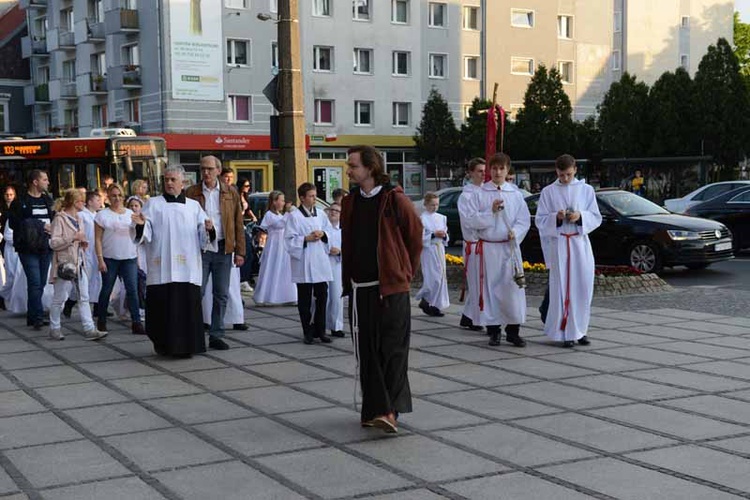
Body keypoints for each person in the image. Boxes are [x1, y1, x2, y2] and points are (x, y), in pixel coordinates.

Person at [342, 145, 422, 434]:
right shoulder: (351, 202)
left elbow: (415, 236)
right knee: (367, 351)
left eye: (353, 165)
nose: (348, 170)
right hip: (360, 289)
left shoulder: (394, 200)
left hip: (391, 288)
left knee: (392, 350)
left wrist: (403, 271)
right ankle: (375, 409)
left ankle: (390, 411)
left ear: (370, 168)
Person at [132, 165, 212, 357]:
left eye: (172, 180)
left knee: (187, 307)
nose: (168, 183)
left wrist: (209, 229)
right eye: (166, 179)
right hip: (162, 268)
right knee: (163, 307)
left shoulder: (193, 206)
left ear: (182, 182)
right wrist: (141, 225)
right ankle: (164, 345)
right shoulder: (153, 204)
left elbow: (203, 234)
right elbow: (146, 231)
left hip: (187, 268)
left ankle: (188, 346)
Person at [536, 154, 602, 347]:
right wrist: (556, 218)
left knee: (582, 287)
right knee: (562, 289)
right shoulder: (548, 192)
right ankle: (564, 332)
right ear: (556, 172)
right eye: (561, 175)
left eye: (568, 175)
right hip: (560, 246)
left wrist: (580, 216)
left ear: (575, 170)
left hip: (579, 244)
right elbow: (540, 220)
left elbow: (596, 217)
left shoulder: (586, 190)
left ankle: (580, 330)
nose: (565, 179)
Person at [186, 156, 246, 350]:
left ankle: (216, 334)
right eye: (203, 169)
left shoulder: (231, 192)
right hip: (200, 249)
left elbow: (238, 223)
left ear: (218, 170)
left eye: (210, 169)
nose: (206, 173)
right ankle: (193, 334)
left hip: (223, 248)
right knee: (198, 292)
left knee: (221, 293)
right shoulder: (192, 192)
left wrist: (240, 251)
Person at [471, 153, 530, 347]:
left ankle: (513, 331)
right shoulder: (480, 193)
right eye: (494, 168)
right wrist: (491, 212)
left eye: (501, 169)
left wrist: (517, 232)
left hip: (509, 248)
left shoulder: (515, 194)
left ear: (507, 170)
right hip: (489, 248)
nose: (497, 172)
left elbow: (524, 220)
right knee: (490, 291)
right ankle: (494, 331)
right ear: (490, 170)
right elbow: (471, 220)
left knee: (512, 290)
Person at [47, 189, 107, 341]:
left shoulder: (79, 218)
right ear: (74, 202)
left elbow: (79, 239)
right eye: (81, 201)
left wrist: (82, 242)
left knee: (84, 297)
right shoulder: (60, 219)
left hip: (79, 262)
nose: (84, 203)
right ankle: (54, 328)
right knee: (59, 297)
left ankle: (89, 329)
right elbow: (54, 243)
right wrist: (73, 237)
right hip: (65, 263)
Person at [285, 182, 333, 344]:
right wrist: (305, 238)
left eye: (315, 195)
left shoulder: (321, 214)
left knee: (322, 296)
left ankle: (321, 329)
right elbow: (289, 240)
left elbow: (330, 232)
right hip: (304, 261)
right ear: (302, 198)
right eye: (311, 196)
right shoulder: (294, 216)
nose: (314, 199)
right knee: (305, 299)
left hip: (319, 260)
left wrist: (323, 234)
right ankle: (307, 331)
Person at [94, 183, 143, 334]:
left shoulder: (130, 214)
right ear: (108, 197)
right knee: (107, 289)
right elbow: (97, 239)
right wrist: (100, 259)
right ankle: (101, 319)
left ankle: (136, 322)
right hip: (110, 257)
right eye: (114, 195)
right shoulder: (102, 215)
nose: (117, 198)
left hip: (129, 257)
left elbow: (138, 235)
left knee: (132, 289)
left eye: (119, 195)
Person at [8, 170, 54, 329]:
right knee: (34, 282)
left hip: (46, 247)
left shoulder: (47, 199)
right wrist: (40, 226)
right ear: (35, 182)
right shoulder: (20, 201)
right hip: (27, 248)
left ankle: (32, 315)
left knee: (40, 282)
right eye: (45, 179)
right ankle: (38, 317)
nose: (48, 182)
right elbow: (15, 224)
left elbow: (54, 218)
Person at [253, 191, 297, 305]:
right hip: (274, 244)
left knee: (284, 269)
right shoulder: (269, 215)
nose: (283, 203)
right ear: (274, 202)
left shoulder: (280, 215)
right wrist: (288, 213)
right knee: (273, 267)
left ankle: (286, 295)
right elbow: (279, 224)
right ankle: (268, 295)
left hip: (283, 244)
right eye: (281, 200)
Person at [458, 158, 486, 332]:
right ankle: (476, 318)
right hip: (474, 243)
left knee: (484, 282)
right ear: (471, 173)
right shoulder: (466, 196)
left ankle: (468, 316)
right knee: (477, 283)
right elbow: (469, 221)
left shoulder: (488, 191)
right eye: (479, 171)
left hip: (487, 244)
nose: (483, 174)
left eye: (484, 171)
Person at [415, 192, 449, 317]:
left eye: (436, 205)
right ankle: (426, 299)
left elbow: (446, 233)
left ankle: (434, 305)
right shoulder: (422, 219)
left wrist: (444, 236)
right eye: (432, 205)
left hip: (439, 249)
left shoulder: (441, 217)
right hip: (429, 250)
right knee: (433, 278)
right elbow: (419, 237)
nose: (434, 207)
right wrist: (433, 235)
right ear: (425, 204)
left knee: (441, 278)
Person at [325, 202, 344, 337]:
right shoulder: (323, 228)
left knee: (336, 296)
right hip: (323, 263)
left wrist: (339, 252)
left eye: (337, 211)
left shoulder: (344, 230)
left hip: (337, 265)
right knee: (322, 296)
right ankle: (320, 325)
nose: (333, 212)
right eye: (331, 210)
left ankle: (336, 326)